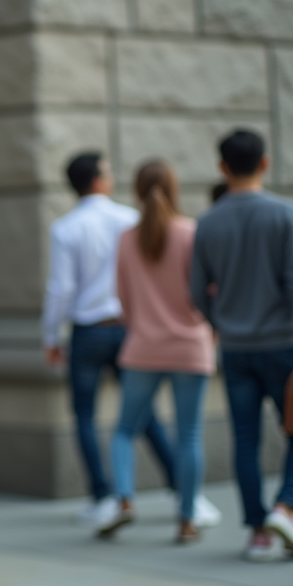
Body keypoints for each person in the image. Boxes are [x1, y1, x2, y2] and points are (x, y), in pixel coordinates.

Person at [44, 153, 192, 528]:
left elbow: (61, 288)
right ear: (97, 181)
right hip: (128, 327)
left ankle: (103, 495)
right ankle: (181, 486)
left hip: (88, 330)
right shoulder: (130, 218)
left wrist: (51, 336)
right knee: (142, 413)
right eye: (108, 172)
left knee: (84, 415)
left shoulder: (65, 227)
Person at [190, 129, 293, 562]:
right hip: (285, 344)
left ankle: (259, 531)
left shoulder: (207, 221)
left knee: (245, 440)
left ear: (222, 167)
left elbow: (196, 291)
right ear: (265, 162)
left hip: (236, 348)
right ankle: (287, 506)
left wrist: (219, 322)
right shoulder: (283, 213)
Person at [97, 161, 215, 544]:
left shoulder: (127, 240)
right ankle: (186, 518)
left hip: (143, 347)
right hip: (190, 347)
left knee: (124, 431)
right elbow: (207, 293)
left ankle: (125, 501)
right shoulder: (191, 233)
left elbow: (123, 301)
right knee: (190, 435)